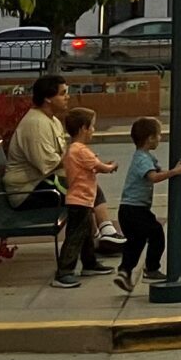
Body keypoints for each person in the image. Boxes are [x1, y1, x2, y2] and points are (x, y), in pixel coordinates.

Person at [5, 74, 124, 250]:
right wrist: (83, 162)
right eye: (62, 93)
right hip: (26, 192)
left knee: (84, 183)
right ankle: (99, 238)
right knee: (81, 191)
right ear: (48, 98)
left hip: (39, 183)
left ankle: (103, 235)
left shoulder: (50, 120)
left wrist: (85, 162)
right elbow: (47, 163)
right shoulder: (36, 125)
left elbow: (62, 158)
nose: (67, 97)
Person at [114, 117, 181, 293]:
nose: (160, 138)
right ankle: (151, 269)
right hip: (135, 209)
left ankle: (124, 272)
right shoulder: (142, 159)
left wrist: (170, 171)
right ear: (150, 138)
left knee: (136, 241)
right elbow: (153, 177)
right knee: (156, 233)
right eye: (159, 135)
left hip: (128, 210)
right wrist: (174, 172)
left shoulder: (146, 157)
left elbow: (158, 171)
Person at [53, 107, 117, 287]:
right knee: (75, 237)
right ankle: (64, 272)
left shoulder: (73, 149)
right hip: (80, 201)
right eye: (92, 127)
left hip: (82, 200)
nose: (94, 131)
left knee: (87, 234)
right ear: (83, 128)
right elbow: (98, 166)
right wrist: (111, 167)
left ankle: (89, 263)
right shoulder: (80, 150)